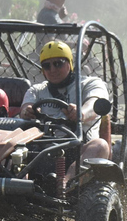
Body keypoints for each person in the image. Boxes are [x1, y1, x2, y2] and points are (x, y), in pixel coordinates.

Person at [19, 40, 110, 183]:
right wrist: (27, 111)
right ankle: (17, 186)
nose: (53, 70)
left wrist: (81, 113)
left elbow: (95, 103)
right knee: (12, 145)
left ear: (69, 63)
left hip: (80, 150)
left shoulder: (90, 83)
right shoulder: (37, 90)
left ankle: (66, 183)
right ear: (42, 70)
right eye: (47, 66)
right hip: (43, 151)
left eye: (58, 63)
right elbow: (26, 107)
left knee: (100, 146)